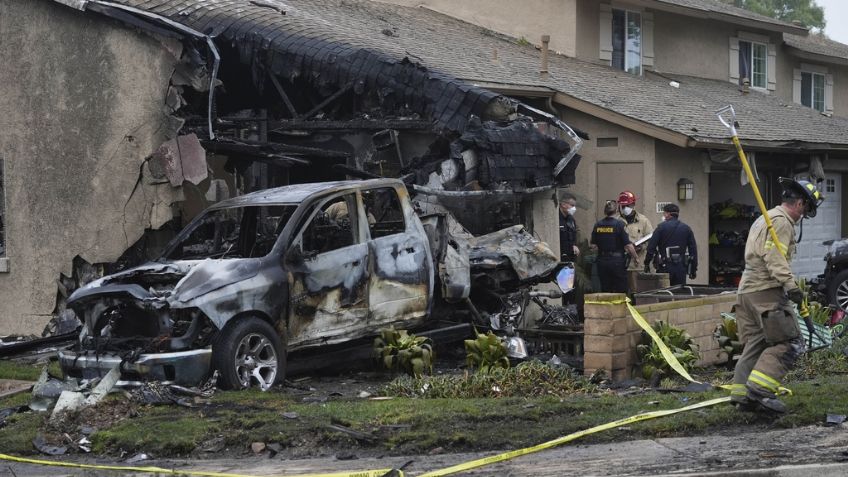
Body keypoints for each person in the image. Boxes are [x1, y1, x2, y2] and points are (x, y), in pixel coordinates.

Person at [730, 178, 824, 414]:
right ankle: (760, 392)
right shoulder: (782, 223)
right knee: (789, 343)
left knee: (758, 343)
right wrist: (791, 286)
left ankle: (742, 396)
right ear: (800, 203)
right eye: (807, 208)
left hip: (747, 292)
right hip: (766, 292)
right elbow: (774, 258)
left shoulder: (766, 217)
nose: (805, 215)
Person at [591, 200, 639, 293]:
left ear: (605, 211)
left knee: (605, 289)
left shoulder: (598, 225)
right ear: (617, 210)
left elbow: (593, 246)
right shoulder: (619, 224)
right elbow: (628, 245)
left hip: (602, 261)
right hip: (617, 262)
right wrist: (636, 258)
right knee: (621, 289)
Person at [643, 203, 697, 286]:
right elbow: (693, 250)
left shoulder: (661, 228)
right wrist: (693, 269)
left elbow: (651, 247)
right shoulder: (686, 229)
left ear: (667, 214)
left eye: (664, 213)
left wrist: (647, 263)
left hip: (665, 267)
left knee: (664, 294)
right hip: (680, 268)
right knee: (679, 294)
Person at [617, 191, 654, 270]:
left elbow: (651, 239)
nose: (625, 208)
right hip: (620, 264)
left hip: (637, 265)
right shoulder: (617, 221)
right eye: (623, 206)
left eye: (627, 205)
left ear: (633, 204)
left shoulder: (643, 220)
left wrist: (641, 247)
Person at [558, 194, 580, 262]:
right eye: (572, 205)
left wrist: (575, 245)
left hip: (570, 257)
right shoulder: (556, 219)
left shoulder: (571, 219)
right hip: (559, 257)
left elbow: (573, 234)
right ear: (563, 204)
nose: (574, 208)